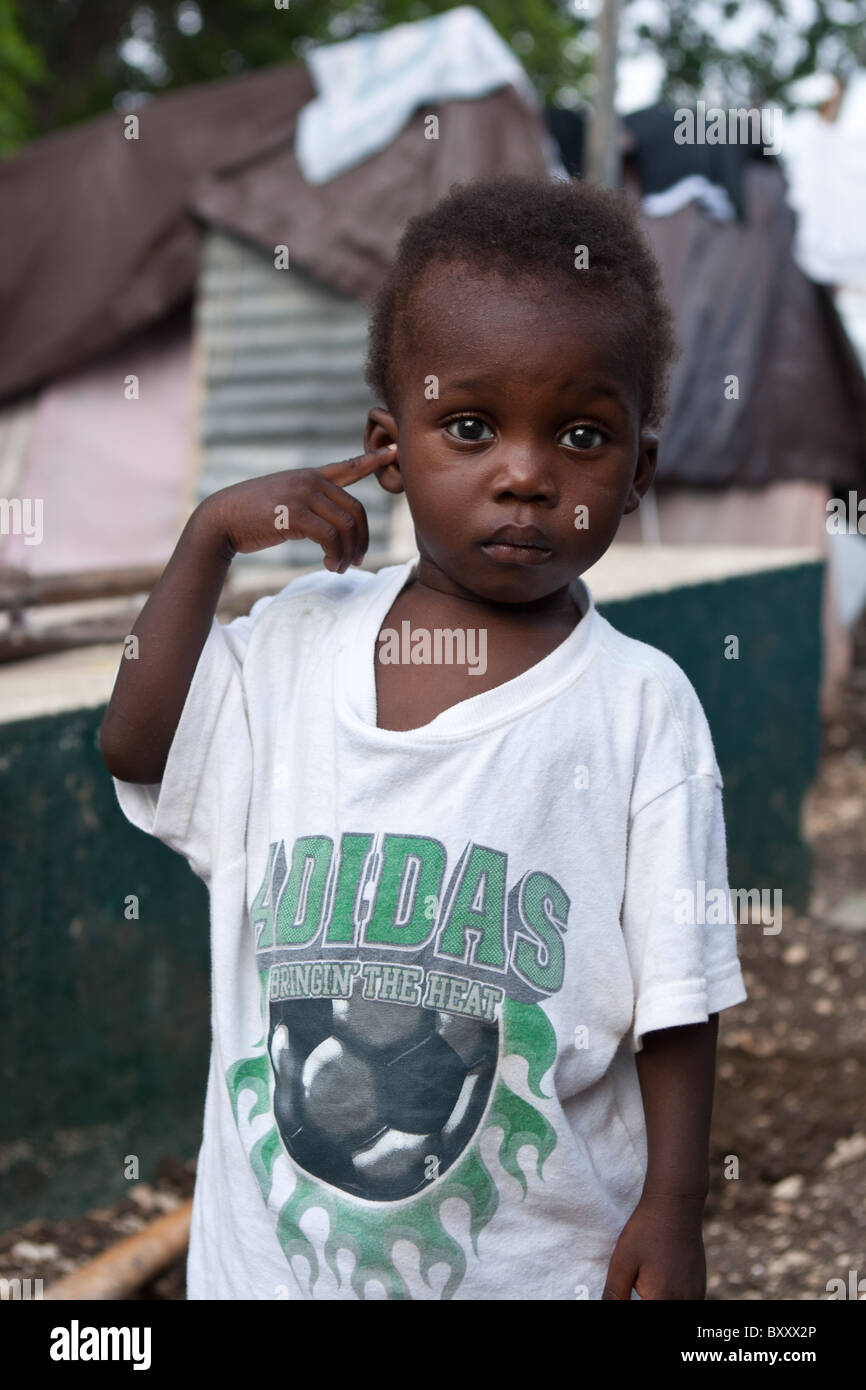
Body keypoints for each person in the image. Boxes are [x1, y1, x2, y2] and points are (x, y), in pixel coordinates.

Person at [100, 172, 747, 1301]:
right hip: (270, 1270)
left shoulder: (641, 706)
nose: (523, 474)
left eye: (581, 435)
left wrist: (673, 1209)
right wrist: (207, 539)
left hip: (532, 1266)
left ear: (637, 471)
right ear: (387, 448)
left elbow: (676, 1003)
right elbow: (135, 746)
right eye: (468, 425)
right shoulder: (292, 645)